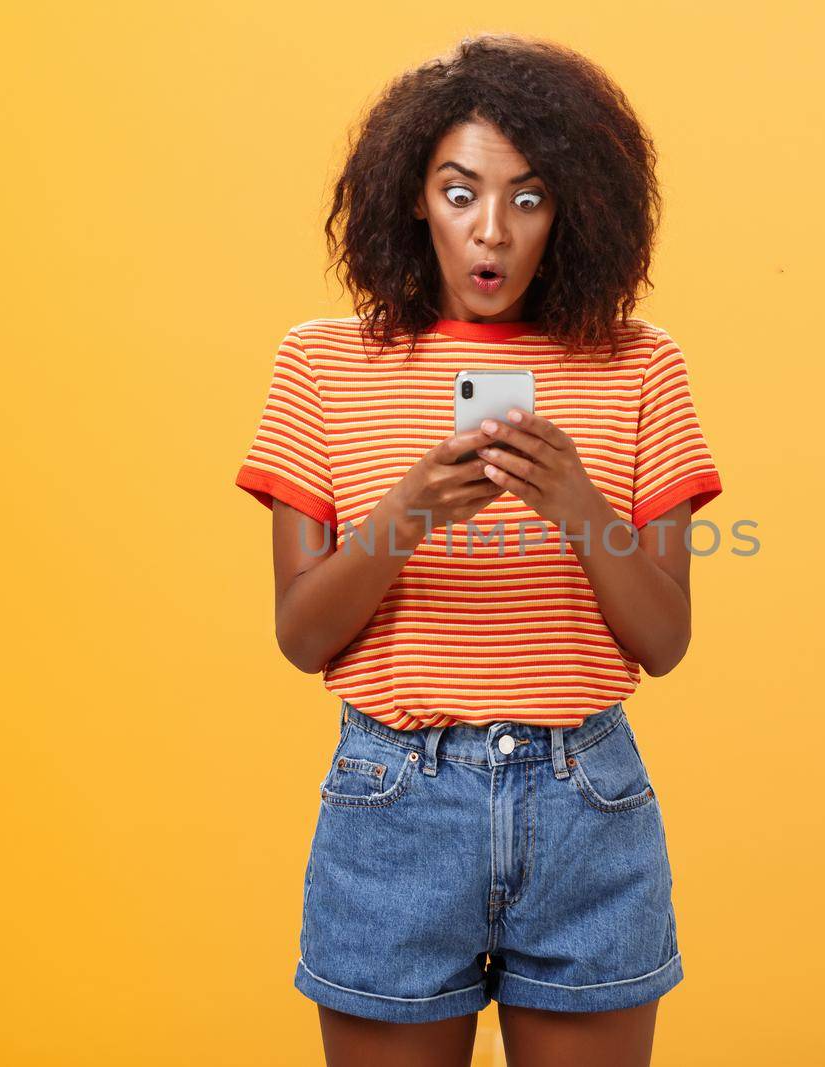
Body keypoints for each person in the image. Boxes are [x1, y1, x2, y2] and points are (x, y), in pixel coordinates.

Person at [234, 33, 723, 1067]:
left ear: (573, 207)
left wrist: (579, 501)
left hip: (586, 803)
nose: (491, 231)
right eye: (460, 194)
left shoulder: (641, 366)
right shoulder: (322, 364)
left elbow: (665, 637)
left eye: (528, 197)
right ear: (415, 197)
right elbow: (301, 634)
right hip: (393, 805)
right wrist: (406, 511)